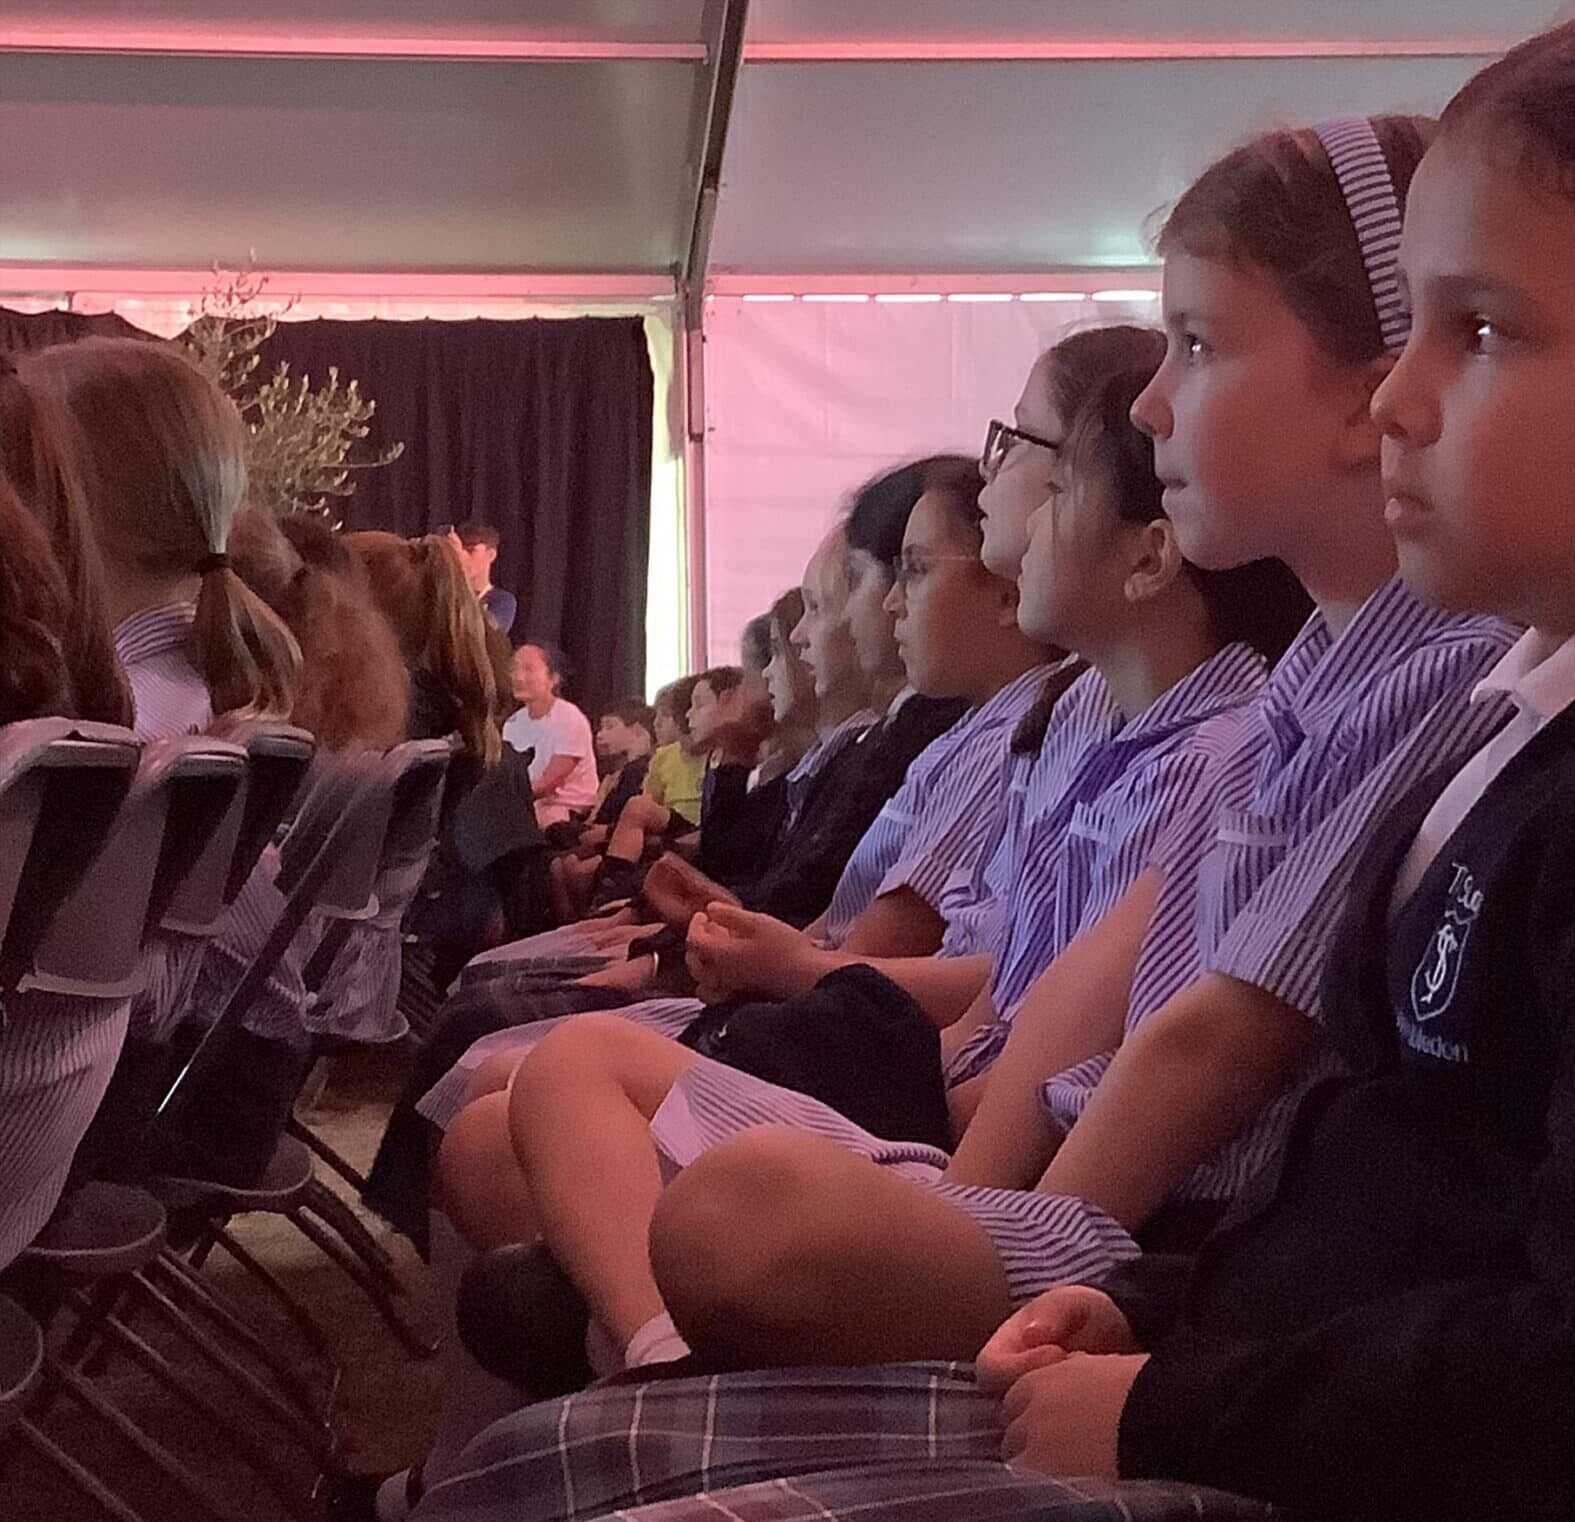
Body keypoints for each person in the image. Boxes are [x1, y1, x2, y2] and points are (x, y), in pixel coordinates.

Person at [400, 100, 1530, 1522]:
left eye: (1198, 343)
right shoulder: (1314, 675)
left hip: (1171, 1235)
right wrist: (980, 1193)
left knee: (688, 1194)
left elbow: (1211, 1037)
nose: (1151, 403)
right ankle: (625, 1384)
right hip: (1126, 1219)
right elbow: (1087, 984)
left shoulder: (1434, 679)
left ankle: (638, 1378)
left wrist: (1044, 1242)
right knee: (553, 1111)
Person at [501, 643, 599, 829]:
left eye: (529, 669)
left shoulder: (569, 718)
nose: (518, 677)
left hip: (569, 809)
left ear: (553, 678)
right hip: (529, 804)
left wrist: (509, 802)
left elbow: (550, 782)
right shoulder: (512, 724)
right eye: (514, 669)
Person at [449, 519, 516, 636]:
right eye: (458, 552)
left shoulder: (502, 601)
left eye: (471, 551)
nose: (462, 559)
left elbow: (483, 636)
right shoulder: (446, 594)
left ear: (491, 555)